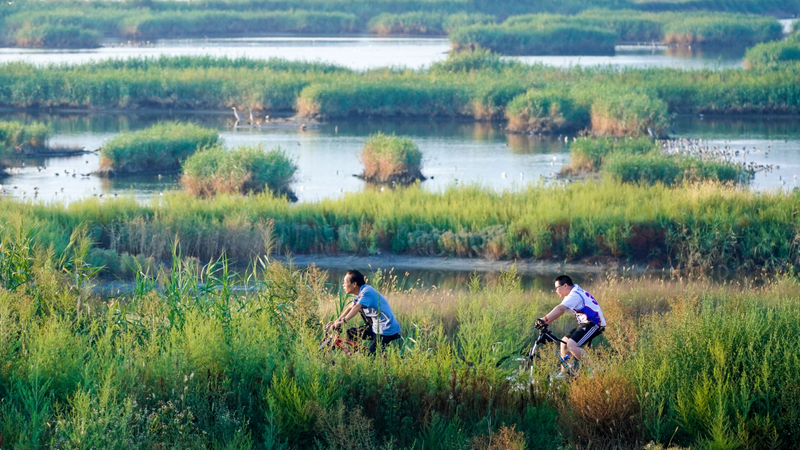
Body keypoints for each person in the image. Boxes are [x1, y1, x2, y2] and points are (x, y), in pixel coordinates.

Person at [536, 275, 606, 364]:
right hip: (585, 323)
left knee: (572, 345)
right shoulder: (572, 292)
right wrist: (546, 322)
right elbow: (562, 311)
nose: (556, 291)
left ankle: (596, 369)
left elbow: (560, 308)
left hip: (595, 323)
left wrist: (544, 318)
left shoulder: (575, 295)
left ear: (565, 285)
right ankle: (567, 371)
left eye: (557, 288)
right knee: (564, 344)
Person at [332, 269, 401, 354]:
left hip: (386, 329)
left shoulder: (367, 292)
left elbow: (356, 308)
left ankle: (367, 358)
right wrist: (337, 321)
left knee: (371, 358)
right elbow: (350, 308)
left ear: (354, 284)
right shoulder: (360, 293)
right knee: (351, 333)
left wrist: (343, 321)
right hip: (376, 327)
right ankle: (358, 356)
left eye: (345, 282)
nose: (343, 285)